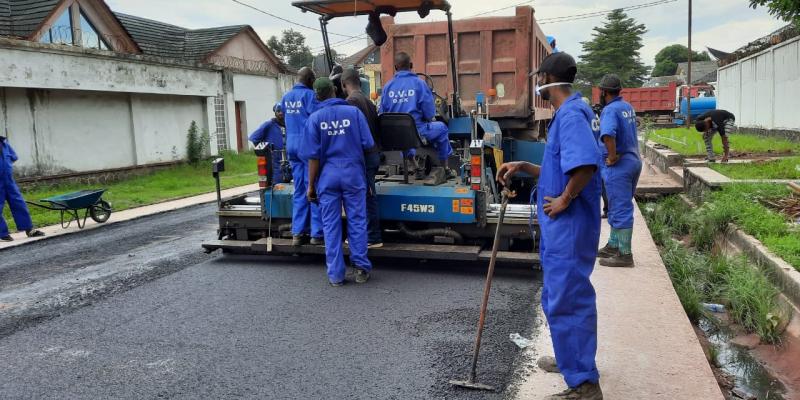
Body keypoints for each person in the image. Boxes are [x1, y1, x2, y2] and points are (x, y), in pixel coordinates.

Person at [497, 52, 603, 400]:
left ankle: (584, 384)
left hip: (569, 225)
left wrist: (564, 200)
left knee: (568, 298)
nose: (537, 83)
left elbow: (584, 167)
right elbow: (563, 168)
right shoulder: (571, 112)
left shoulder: (572, 114)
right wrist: (527, 166)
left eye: (538, 77)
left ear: (546, 77)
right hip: (564, 227)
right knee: (558, 295)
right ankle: (570, 358)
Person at [304, 78, 375, 286]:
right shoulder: (354, 113)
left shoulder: (315, 119)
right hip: (353, 173)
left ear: (317, 96)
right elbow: (368, 144)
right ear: (335, 91)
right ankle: (361, 268)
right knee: (357, 221)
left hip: (328, 177)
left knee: (331, 225)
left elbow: (313, 157)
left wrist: (310, 186)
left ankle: (336, 275)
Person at [379, 52, 453, 177]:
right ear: (411, 65)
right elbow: (429, 114)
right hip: (418, 133)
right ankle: (445, 168)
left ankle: (415, 167)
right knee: (442, 129)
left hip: (395, 135)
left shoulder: (387, 87)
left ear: (395, 67)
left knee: (405, 135)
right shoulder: (420, 84)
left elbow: (382, 114)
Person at [595, 74, 642, 268]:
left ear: (604, 92)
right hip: (633, 161)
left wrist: (612, 156)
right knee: (616, 205)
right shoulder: (627, 107)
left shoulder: (610, 110)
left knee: (621, 208)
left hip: (619, 166)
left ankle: (625, 254)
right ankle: (614, 245)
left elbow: (608, 134)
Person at [282, 67, 324, 246]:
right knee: (312, 188)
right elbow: (318, 117)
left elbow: (279, 112)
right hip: (307, 146)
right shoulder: (309, 96)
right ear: (309, 79)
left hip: (291, 145)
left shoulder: (286, 96)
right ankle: (316, 233)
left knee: (299, 189)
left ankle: (297, 233)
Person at [341, 68, 383, 248]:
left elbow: (351, 135)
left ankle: (372, 237)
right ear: (359, 82)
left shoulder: (350, 102)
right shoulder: (368, 101)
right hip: (373, 155)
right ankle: (371, 235)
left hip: (362, 157)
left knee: (364, 197)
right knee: (367, 195)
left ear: (343, 85)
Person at [1, 136, 44, 242]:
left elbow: (14, 157)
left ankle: (29, 229)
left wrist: (6, 167)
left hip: (9, 181)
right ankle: (2, 233)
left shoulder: (5, 144)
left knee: (19, 204)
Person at [248, 102, 287, 184]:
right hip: (274, 161)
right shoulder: (269, 125)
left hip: (289, 160)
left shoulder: (290, 124)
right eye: (278, 111)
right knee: (277, 185)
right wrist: (264, 152)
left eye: (282, 110)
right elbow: (254, 138)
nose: (281, 113)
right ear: (275, 113)